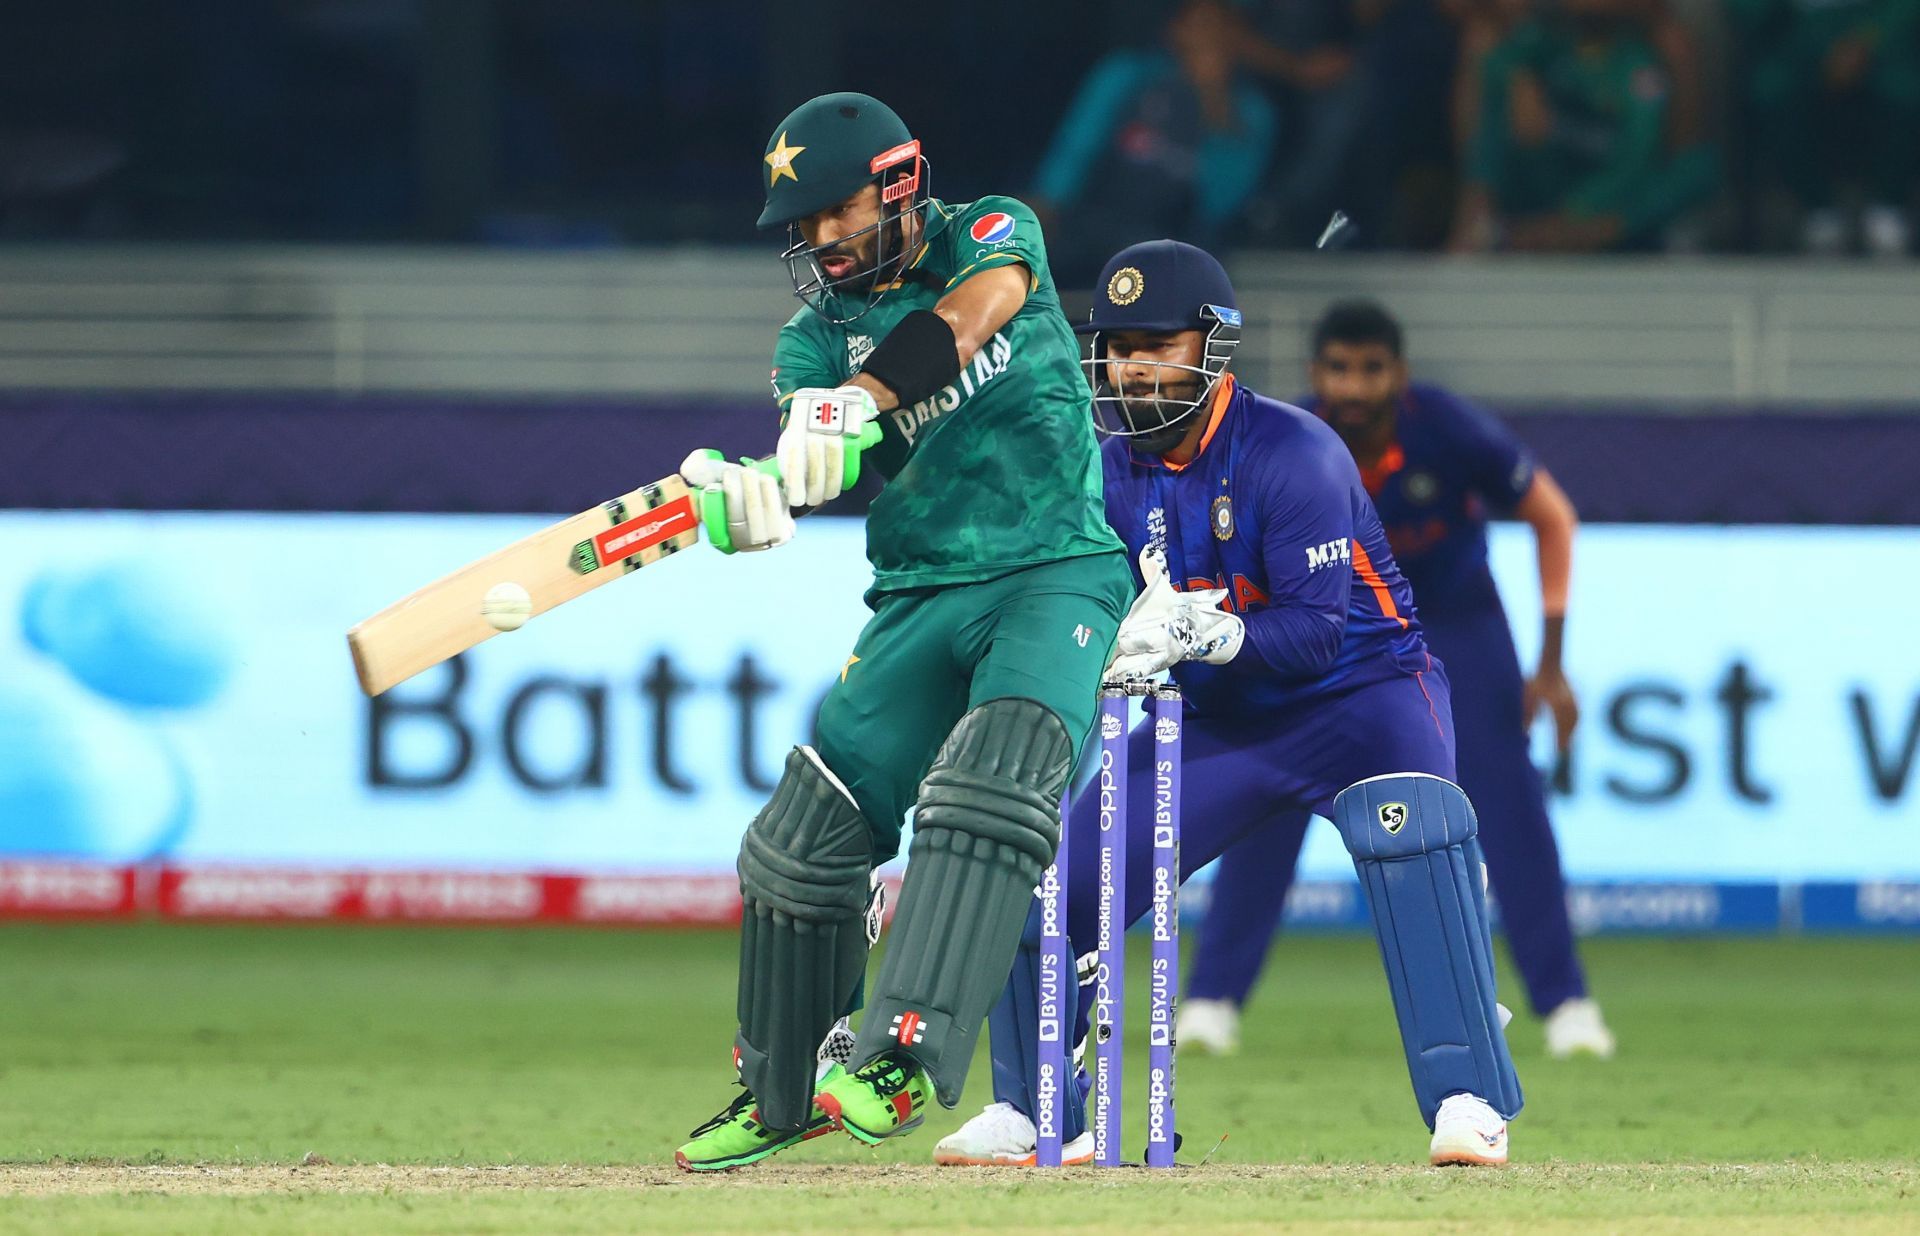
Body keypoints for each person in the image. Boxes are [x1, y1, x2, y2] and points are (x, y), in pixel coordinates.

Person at [934, 240, 1523, 1169]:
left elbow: (1318, 635)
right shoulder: (1101, 468)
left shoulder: (1297, 454)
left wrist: (1203, 636)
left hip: (1363, 698)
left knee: (1415, 843)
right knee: (1046, 885)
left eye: (1156, 344)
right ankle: (1037, 1107)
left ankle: (1469, 1100)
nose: (1131, 366)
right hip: (1222, 723)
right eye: (1118, 346)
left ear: (1214, 349)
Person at [671, 92, 1133, 1172]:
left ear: (898, 182)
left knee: (991, 779)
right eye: (805, 223)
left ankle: (900, 1054)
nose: (821, 239)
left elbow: (977, 312)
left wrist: (862, 397)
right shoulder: (808, 341)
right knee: (797, 846)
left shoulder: (989, 229)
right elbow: (828, 461)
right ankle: (778, 1091)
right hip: (918, 591)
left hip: (1053, 563)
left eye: (838, 210)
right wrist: (753, 492)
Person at [1179, 300, 1614, 1061]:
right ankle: (1212, 1000)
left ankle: (1566, 1003)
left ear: (1400, 377)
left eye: (1371, 370)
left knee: (1504, 799)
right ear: (1316, 376)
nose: (1354, 387)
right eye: (1339, 370)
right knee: (1270, 789)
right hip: (1325, 623)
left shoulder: (1446, 428)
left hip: (1453, 619)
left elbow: (1554, 516)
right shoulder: (1285, 440)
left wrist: (1549, 666)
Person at [1030, 1, 1277, 282]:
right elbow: (1076, 148)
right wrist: (1046, 203)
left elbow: (1220, 203)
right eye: (1201, 25)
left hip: (1179, 242)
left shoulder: (1252, 110)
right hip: (1093, 220)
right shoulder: (1128, 74)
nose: (1210, 38)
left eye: (1224, 27)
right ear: (1175, 30)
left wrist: (1214, 98)